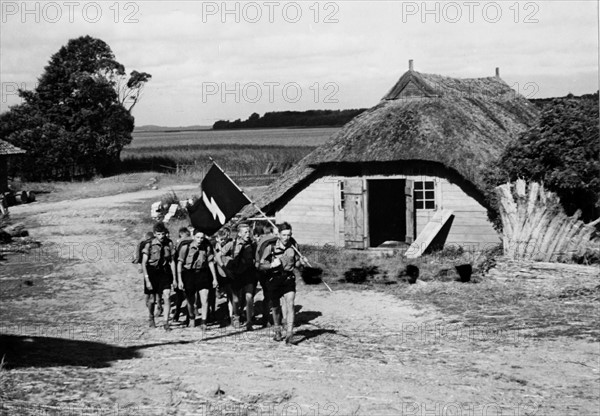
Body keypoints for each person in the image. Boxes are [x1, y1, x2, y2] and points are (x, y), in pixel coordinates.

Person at [258, 222, 306, 344]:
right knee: (275, 307)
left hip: (288, 278)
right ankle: (277, 329)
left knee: (290, 303)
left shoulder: (294, 246)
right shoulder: (270, 247)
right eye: (284, 235)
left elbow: (296, 265)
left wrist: (302, 262)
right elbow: (260, 265)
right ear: (279, 235)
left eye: (289, 235)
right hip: (273, 279)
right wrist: (271, 265)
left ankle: (290, 334)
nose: (286, 238)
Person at [216, 223, 257, 331]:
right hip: (236, 274)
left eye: (249, 231)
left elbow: (257, 257)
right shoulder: (232, 244)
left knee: (249, 297)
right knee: (235, 299)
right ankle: (236, 316)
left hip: (248, 273)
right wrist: (225, 269)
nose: (248, 234)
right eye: (245, 232)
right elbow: (218, 256)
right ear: (239, 233)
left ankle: (248, 322)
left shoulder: (252, 244)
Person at [178, 228, 218, 329]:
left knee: (204, 298)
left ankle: (203, 321)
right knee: (190, 301)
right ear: (193, 236)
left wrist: (214, 278)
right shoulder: (185, 247)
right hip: (189, 273)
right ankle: (191, 317)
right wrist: (179, 279)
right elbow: (180, 263)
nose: (200, 240)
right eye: (198, 237)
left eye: (202, 238)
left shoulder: (207, 246)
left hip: (203, 273)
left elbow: (210, 262)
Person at [142, 222, 177, 330]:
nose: (161, 236)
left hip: (164, 272)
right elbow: (144, 263)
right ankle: (151, 316)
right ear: (155, 234)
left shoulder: (169, 244)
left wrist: (175, 278)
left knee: (167, 296)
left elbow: (172, 261)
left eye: (163, 234)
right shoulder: (149, 244)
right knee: (152, 300)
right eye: (158, 234)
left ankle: (166, 322)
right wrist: (147, 280)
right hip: (152, 272)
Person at [253, 221, 277, 328]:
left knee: (270, 295)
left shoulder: (264, 241)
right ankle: (266, 319)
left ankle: (269, 319)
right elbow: (262, 260)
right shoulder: (270, 243)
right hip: (267, 271)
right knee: (269, 295)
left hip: (264, 270)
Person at [172, 227, 193, 323]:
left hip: (181, 270)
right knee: (191, 295)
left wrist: (175, 278)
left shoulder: (179, 243)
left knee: (179, 295)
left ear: (180, 234)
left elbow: (175, 259)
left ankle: (177, 313)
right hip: (191, 270)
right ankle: (190, 316)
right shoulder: (193, 241)